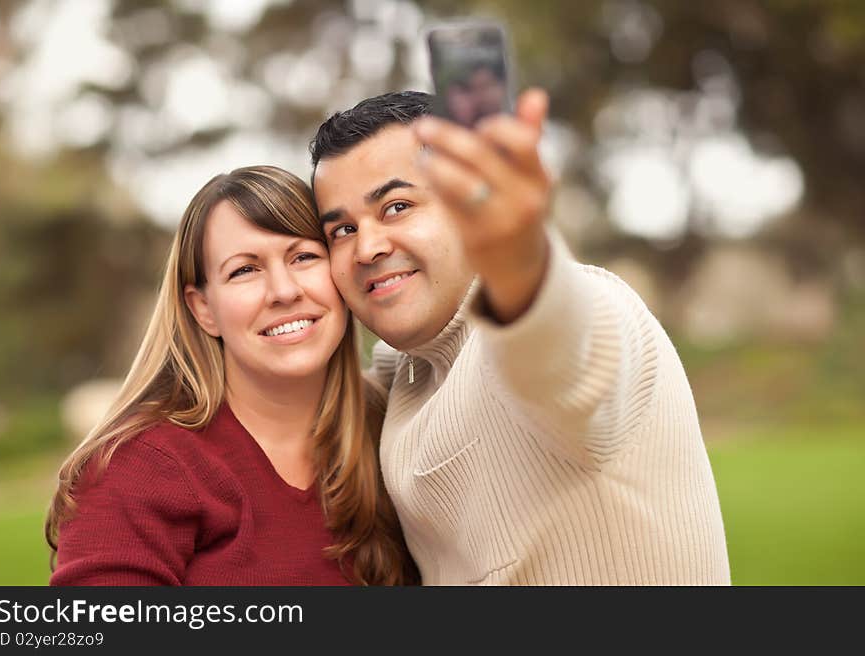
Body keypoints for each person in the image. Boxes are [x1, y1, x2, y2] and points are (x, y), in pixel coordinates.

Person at [309, 90, 731, 585]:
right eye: (340, 231)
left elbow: (567, 353)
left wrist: (523, 265)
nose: (368, 248)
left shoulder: (587, 307)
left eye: (397, 206)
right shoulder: (408, 370)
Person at [46, 166, 418, 586]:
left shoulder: (391, 430)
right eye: (244, 270)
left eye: (303, 257)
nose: (283, 290)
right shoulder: (141, 466)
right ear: (203, 308)